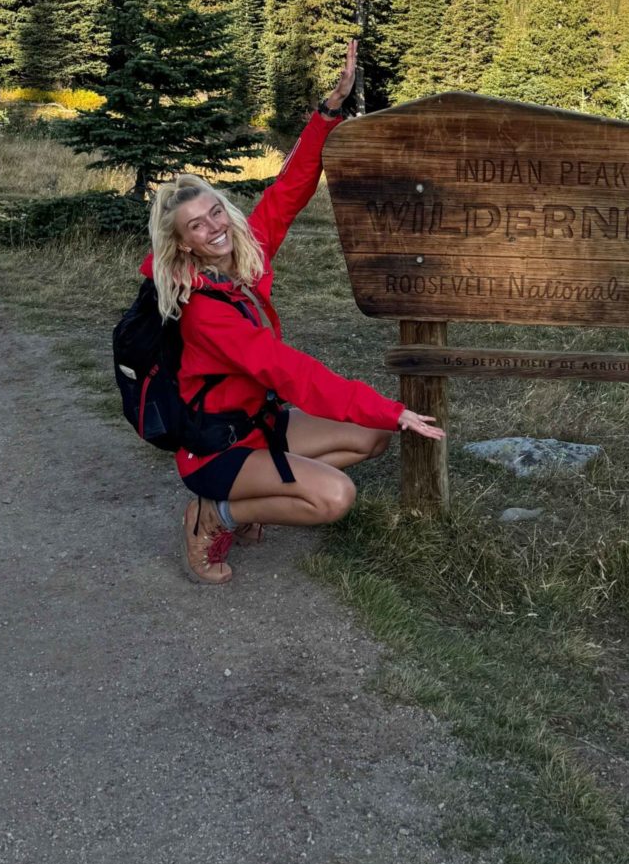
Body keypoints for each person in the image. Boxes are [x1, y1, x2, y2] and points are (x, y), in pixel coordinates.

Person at [144, 40, 445, 584]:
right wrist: (388, 406)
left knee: (371, 436)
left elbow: (288, 191)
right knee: (335, 496)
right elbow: (285, 371)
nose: (213, 227)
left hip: (258, 424)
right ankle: (214, 513)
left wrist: (329, 110)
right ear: (183, 243)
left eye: (215, 211)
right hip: (216, 447)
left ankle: (258, 495)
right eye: (197, 226)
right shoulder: (202, 310)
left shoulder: (243, 255)